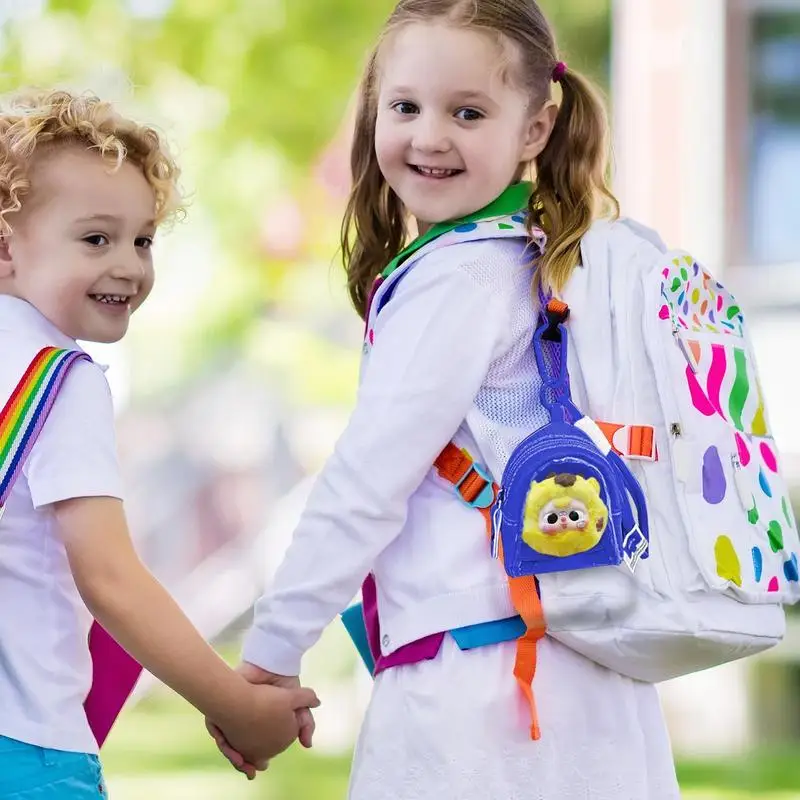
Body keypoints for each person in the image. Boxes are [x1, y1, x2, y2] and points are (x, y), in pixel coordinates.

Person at [214, 1, 682, 797]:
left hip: (482, 691)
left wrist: (268, 656)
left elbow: (367, 483)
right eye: (405, 107)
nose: (429, 136)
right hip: (593, 672)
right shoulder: (560, 262)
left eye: (467, 112)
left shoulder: (458, 276)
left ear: (535, 130)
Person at [0, 88, 318, 799]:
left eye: (141, 239)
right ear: (5, 250)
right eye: (95, 239)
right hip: (27, 750)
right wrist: (238, 708)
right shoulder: (58, 379)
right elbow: (110, 578)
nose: (130, 265)